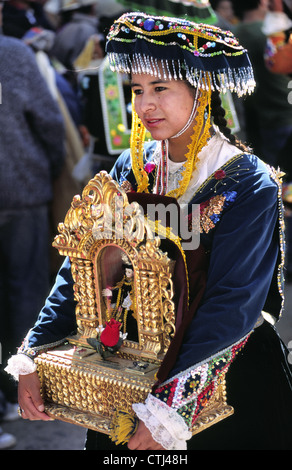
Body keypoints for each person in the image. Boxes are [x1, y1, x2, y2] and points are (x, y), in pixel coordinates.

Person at [5, 11, 292, 450]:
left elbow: (233, 302)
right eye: (137, 90)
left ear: (203, 91)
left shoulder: (246, 181)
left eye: (161, 88)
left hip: (218, 376)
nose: (143, 105)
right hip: (128, 373)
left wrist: (167, 414)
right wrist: (33, 353)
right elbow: (83, 267)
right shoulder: (131, 167)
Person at [0, 12, 65, 411]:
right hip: (21, 187)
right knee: (26, 292)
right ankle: (23, 391)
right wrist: (52, 167)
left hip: (23, 189)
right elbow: (49, 121)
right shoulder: (13, 53)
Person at [231, 0, 292, 167]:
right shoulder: (267, 32)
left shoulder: (233, 34)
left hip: (263, 115)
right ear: (263, 3)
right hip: (283, 111)